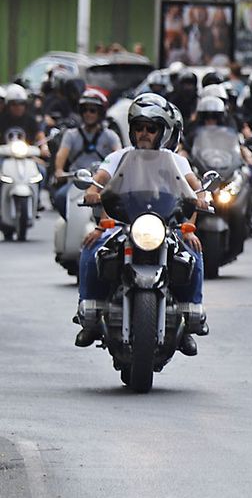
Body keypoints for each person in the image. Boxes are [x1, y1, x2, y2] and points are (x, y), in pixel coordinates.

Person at [74, 95, 208, 352]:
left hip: (165, 225)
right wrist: (92, 191)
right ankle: (89, 314)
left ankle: (190, 315)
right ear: (132, 130)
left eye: (151, 128)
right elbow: (100, 180)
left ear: (162, 131)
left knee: (193, 250)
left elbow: (195, 188)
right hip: (124, 223)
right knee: (93, 248)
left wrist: (200, 203)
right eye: (139, 127)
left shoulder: (176, 160)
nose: (144, 133)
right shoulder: (119, 157)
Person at [53, 89, 121, 217]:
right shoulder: (71, 134)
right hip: (77, 183)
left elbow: (119, 156)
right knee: (61, 197)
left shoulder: (110, 136)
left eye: (92, 111)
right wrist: (59, 170)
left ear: (100, 113)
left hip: (101, 183)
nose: (88, 114)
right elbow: (62, 154)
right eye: (85, 110)